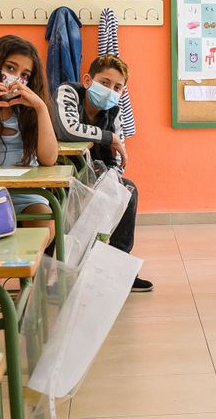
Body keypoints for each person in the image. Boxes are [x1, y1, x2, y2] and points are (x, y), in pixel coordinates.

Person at [51, 53, 151, 291]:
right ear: (88, 80)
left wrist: (111, 178)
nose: (110, 90)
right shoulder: (68, 93)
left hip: (94, 175)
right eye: (105, 83)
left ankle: (116, 268)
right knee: (71, 202)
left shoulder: (114, 111)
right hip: (59, 173)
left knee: (127, 190)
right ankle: (60, 272)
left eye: (117, 87)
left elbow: (118, 157)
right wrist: (110, 137)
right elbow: (67, 130)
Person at [0, 35, 58, 217]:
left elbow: (49, 159)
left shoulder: (29, 111)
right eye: (10, 68)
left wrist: (41, 108)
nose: (16, 79)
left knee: (45, 219)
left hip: (25, 193)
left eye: (25, 75)